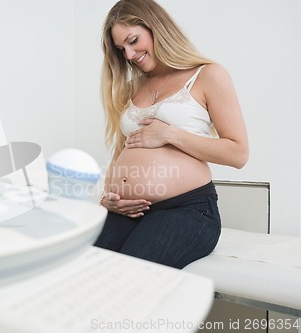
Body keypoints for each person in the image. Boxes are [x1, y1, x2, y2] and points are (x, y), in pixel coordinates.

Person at [93, 0, 248, 269]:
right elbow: (122, 150)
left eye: (133, 40)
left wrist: (170, 135)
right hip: (129, 211)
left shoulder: (208, 76)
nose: (129, 55)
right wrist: (107, 198)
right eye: (121, 49)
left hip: (187, 209)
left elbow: (238, 153)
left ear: (156, 28)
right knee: (79, 264)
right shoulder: (132, 87)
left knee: (127, 273)